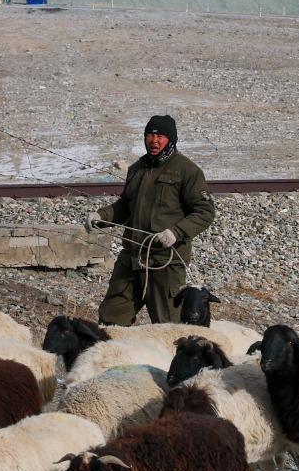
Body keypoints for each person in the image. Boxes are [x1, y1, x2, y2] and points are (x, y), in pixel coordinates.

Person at [88, 114, 216, 325]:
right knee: (111, 319)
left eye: (160, 137)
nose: (154, 141)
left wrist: (176, 232)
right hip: (132, 258)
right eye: (149, 135)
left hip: (165, 263)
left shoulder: (187, 171)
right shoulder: (137, 168)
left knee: (170, 327)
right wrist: (102, 216)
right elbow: (125, 205)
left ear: (171, 140)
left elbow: (205, 211)